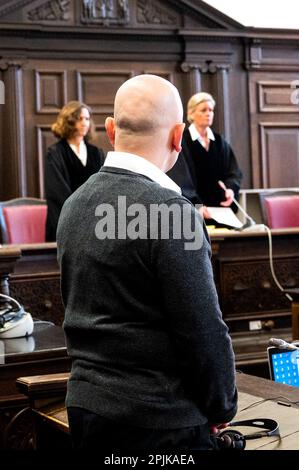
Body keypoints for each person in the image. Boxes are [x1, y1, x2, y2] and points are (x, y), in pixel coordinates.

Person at [57, 75, 238, 451]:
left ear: (109, 130)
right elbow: (202, 331)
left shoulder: (74, 205)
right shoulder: (172, 212)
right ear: (178, 136)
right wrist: (223, 406)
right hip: (160, 424)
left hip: (86, 410)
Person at [167, 92, 242, 221]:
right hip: (194, 212)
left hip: (221, 212)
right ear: (191, 114)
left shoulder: (219, 141)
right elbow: (181, 177)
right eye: (203, 110)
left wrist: (230, 189)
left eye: (211, 110)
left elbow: (234, 172)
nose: (208, 113)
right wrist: (197, 205)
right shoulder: (183, 140)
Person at [44, 100, 105, 241]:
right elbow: (57, 192)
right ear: (69, 121)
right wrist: (79, 215)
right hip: (65, 222)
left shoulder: (96, 153)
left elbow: (103, 186)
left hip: (95, 222)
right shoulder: (55, 153)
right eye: (80, 119)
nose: (85, 123)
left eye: (87, 119)